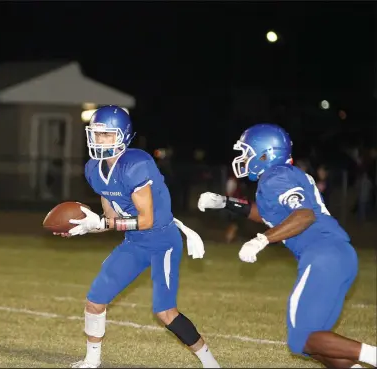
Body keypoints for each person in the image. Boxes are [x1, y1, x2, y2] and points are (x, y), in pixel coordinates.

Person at [197, 123, 376, 368]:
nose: (242, 158)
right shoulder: (279, 177)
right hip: (335, 255)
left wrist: (262, 240)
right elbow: (268, 214)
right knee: (312, 344)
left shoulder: (276, 176)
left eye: (247, 152)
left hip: (323, 254)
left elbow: (304, 215)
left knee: (302, 339)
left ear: (265, 154)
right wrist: (226, 203)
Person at [54, 105, 220, 369]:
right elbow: (110, 219)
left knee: (165, 313)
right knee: (95, 300)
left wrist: (104, 222)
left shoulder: (136, 164)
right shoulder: (93, 169)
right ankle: (92, 360)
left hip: (162, 241)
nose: (99, 140)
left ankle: (210, 362)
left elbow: (147, 220)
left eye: (106, 134)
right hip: (134, 242)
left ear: (122, 136)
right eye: (96, 133)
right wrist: (86, 226)